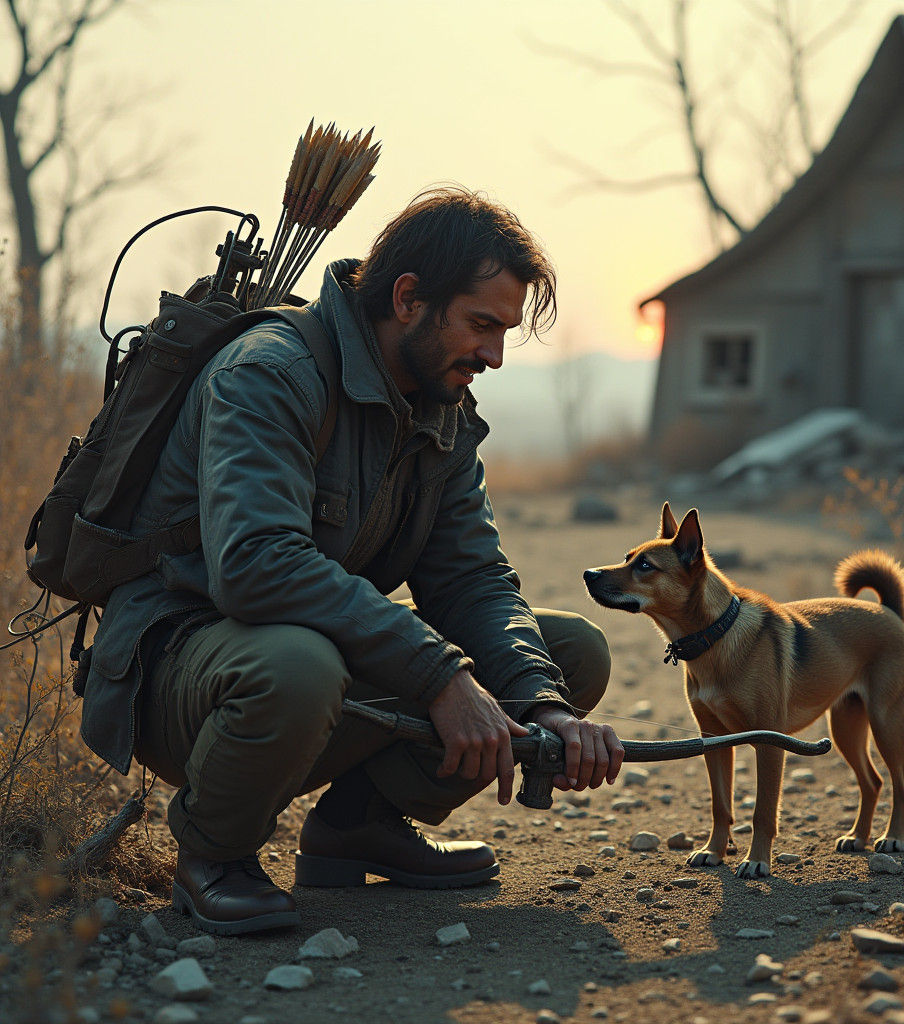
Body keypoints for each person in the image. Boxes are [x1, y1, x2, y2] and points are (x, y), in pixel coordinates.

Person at [79, 186, 624, 935]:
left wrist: (544, 704)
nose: (495, 355)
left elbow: (471, 579)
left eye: (504, 333)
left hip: (309, 656)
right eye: (482, 325)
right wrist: (440, 676)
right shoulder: (269, 372)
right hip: (182, 668)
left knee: (567, 651)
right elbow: (256, 565)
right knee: (300, 665)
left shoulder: (444, 410)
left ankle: (358, 826)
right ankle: (214, 855)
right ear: (408, 298)